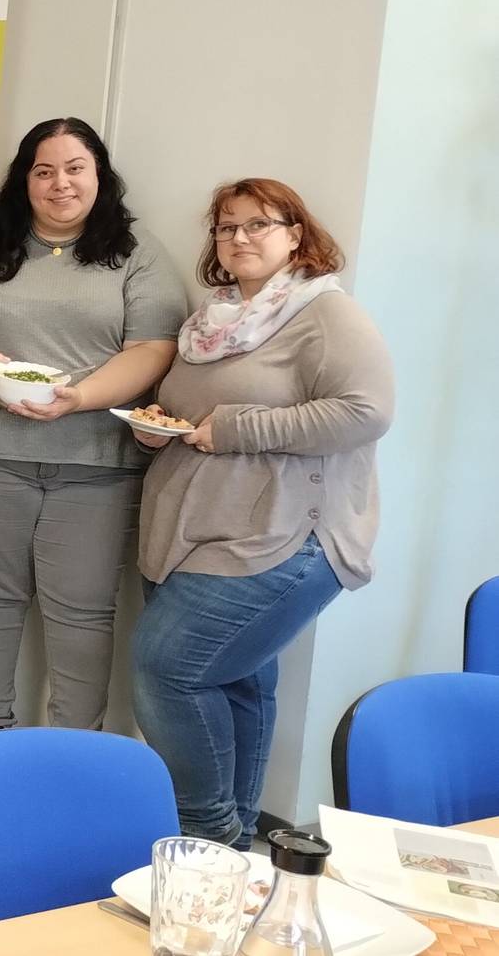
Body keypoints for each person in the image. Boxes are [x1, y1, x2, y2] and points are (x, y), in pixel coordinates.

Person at [131, 179, 392, 848]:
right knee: (239, 682)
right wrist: (158, 425)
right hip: (195, 532)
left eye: (258, 224)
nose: (238, 237)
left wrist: (235, 429)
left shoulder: (326, 313)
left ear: (295, 234)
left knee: (166, 669)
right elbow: (195, 414)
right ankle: (236, 843)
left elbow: (366, 412)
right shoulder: (213, 321)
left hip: (283, 536)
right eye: (226, 227)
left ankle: (204, 832)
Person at [0, 118, 187, 731]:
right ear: (24, 180)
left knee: (82, 608)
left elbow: (152, 348)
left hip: (97, 460)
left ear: (99, 176)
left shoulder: (137, 253)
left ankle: (73, 745)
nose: (60, 183)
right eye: (44, 171)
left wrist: (79, 397)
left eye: (75, 168)